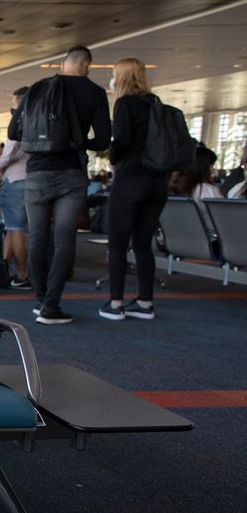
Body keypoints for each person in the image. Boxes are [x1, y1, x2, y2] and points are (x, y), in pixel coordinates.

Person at [9, 45, 111, 325]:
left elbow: (12, 131)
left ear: (64, 63)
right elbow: (103, 141)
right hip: (72, 174)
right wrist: (78, 141)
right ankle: (52, 305)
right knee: (64, 240)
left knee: (37, 238)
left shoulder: (38, 89)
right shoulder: (95, 93)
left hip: (38, 173)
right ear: (88, 65)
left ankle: (40, 299)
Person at [100, 59, 170, 321]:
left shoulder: (125, 104)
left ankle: (115, 303)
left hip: (131, 178)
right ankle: (145, 302)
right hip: (158, 181)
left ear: (122, 77)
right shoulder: (156, 103)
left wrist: (112, 156)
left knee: (118, 243)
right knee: (143, 244)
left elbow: (121, 142)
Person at [0, 87, 32, 289]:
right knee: (13, 228)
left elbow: (7, 155)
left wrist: (0, 165)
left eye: (13, 103)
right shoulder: (39, 122)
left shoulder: (19, 123)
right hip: (34, 179)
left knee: (15, 228)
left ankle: (22, 274)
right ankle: (5, 268)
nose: (11, 107)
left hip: (16, 179)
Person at [173, 147, 222, 239]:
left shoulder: (175, 189)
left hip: (178, 241)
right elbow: (223, 218)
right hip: (209, 243)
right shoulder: (208, 191)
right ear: (209, 167)